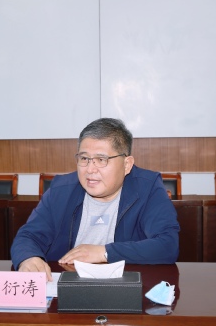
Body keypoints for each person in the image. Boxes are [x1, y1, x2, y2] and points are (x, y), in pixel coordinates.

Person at [10, 118, 180, 280]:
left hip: (126, 288)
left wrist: (103, 252)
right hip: (67, 287)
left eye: (101, 160)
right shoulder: (61, 190)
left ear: (126, 164)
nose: (90, 169)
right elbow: (28, 236)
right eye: (84, 158)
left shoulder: (148, 188)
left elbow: (167, 245)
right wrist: (28, 258)